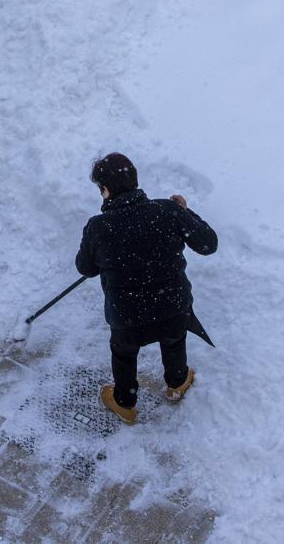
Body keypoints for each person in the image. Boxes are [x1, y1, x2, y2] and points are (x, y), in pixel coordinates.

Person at [75, 153, 218, 425]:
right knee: (174, 340)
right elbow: (208, 244)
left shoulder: (98, 227)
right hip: (172, 308)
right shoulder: (167, 211)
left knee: (124, 354)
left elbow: (86, 268)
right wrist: (184, 212)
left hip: (128, 318)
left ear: (105, 190)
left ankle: (125, 403)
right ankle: (177, 382)